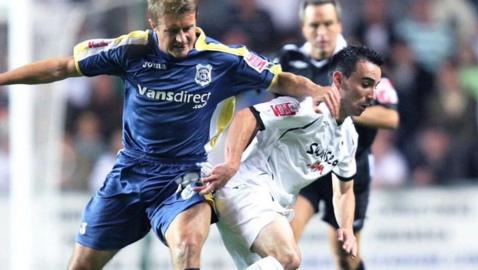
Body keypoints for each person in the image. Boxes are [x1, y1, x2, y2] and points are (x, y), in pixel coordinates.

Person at [0, 1, 340, 269]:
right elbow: (62, 67)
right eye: (172, 31)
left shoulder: (224, 59)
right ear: (152, 23)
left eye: (188, 28)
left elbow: (279, 79)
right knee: (82, 265)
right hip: (130, 173)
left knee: (188, 248)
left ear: (197, 19)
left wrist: (315, 89)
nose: (181, 39)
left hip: (185, 176)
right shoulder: (130, 50)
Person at [198, 45, 384, 270]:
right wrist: (232, 162)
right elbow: (247, 116)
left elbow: (344, 190)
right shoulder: (308, 107)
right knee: (289, 258)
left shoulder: (349, 136)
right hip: (247, 188)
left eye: (375, 86)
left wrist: (346, 228)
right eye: (365, 84)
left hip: (271, 204)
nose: (372, 95)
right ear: (339, 79)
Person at [275, 1, 399, 269]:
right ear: (303, 28)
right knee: (283, 247)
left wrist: (344, 109)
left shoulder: (361, 62)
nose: (322, 31)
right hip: (304, 166)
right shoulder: (288, 58)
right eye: (314, 25)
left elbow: (391, 116)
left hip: (349, 169)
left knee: (345, 257)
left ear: (339, 25)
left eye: (328, 24)